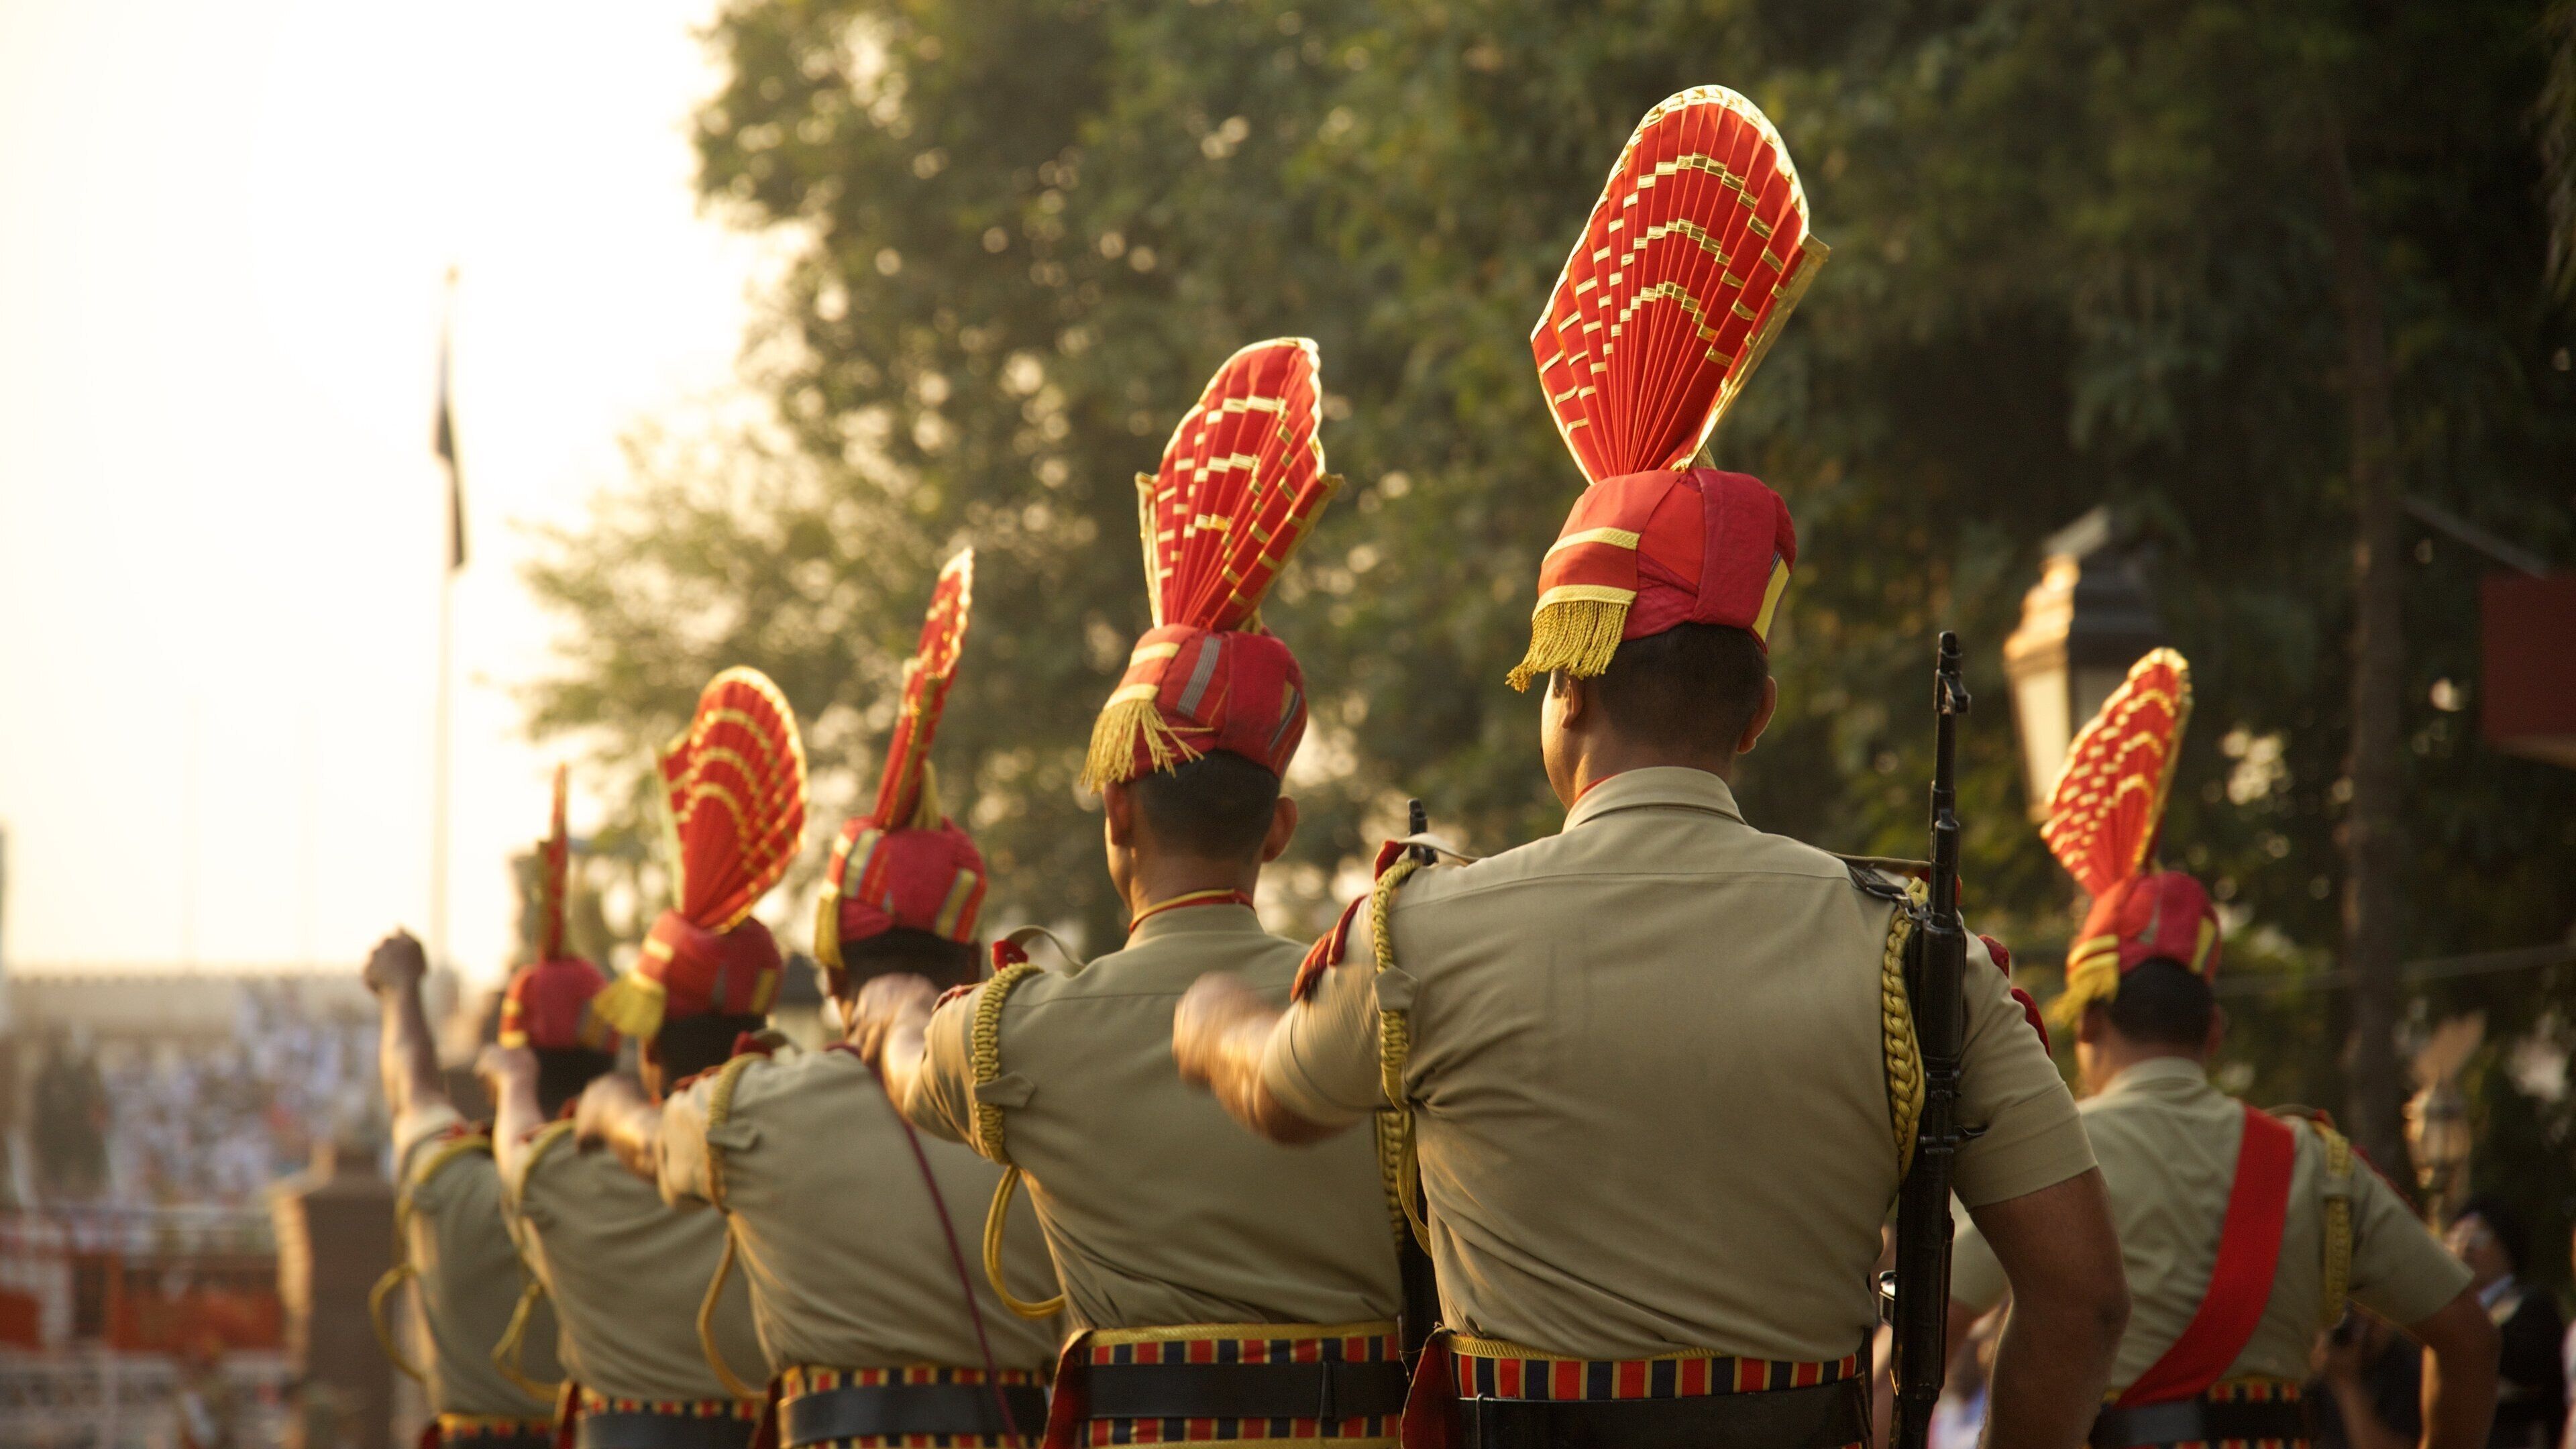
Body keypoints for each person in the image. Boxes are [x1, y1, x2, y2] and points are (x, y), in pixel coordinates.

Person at [1169, 87, 2130, 1449]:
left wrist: (1209, 1018)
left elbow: (1275, 1093)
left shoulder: (1422, 932)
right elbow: (2083, 1300)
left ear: (1566, 687)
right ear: (1759, 712)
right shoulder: (1916, 959)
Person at [859, 339, 1409, 1449]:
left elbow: (910, 1063)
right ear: (1280, 828)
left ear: (1119, 816)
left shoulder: (1017, 1033)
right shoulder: (1373, 1008)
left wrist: (897, 1016)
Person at [1944, 651, 2498, 1449]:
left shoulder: (2051, 1152)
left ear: (2088, 1021)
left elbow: (1937, 1331)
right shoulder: (2316, 1163)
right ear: (2213, 1032)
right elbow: (2471, 1339)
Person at [582, 553, 1061, 1448]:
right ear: (971, 953)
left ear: (832, 976)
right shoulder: (1047, 1103)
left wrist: (607, 1109)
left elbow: (651, 1142)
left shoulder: (750, 1111)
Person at [494, 668, 804, 1449]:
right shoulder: (805, 1145)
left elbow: (512, 1144)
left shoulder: (562, 1171)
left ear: (649, 1038)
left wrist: (516, 1084)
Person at [368, 772, 612, 1449]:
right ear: (608, 1069)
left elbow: (410, 1083)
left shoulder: (450, 1180)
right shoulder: (637, 1188)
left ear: (502, 1071)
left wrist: (400, 991)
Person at [2446, 1197, 2559, 1449]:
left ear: (2508, 1246)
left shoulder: (2532, 1306)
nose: (2465, 1248)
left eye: (2478, 1238)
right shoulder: (2444, 1311)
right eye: (2457, 1237)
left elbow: (2528, 1368)